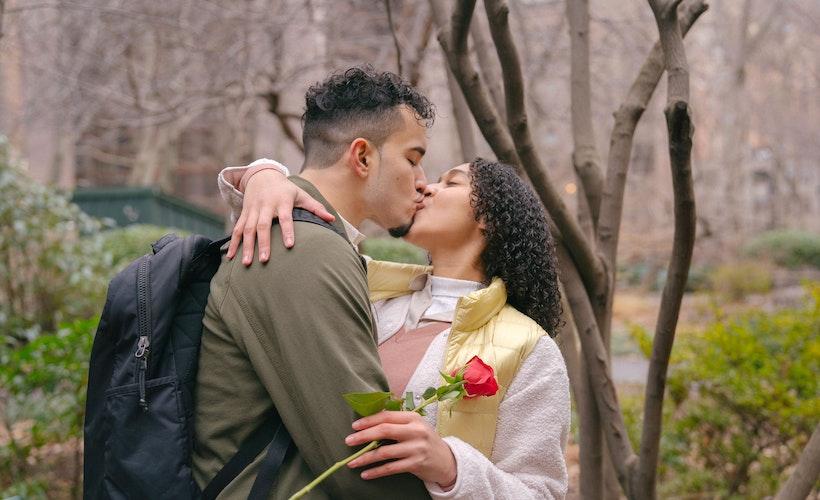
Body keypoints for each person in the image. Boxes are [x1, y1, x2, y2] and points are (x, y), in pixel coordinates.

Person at [222, 158, 571, 498]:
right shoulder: (364, 290)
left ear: (490, 220)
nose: (426, 188)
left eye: (450, 182)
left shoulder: (530, 348)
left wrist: (451, 467)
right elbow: (279, 238)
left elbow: (541, 490)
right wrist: (264, 173)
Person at [192, 67, 436, 499]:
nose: (422, 182)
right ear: (362, 157)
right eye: (413, 159)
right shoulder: (301, 248)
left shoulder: (303, 238)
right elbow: (362, 453)